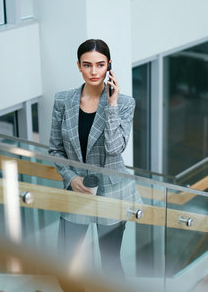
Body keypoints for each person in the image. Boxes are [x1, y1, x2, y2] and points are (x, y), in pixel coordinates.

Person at [48, 38, 141, 278]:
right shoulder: (62, 100)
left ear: (109, 65)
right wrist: (71, 178)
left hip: (113, 190)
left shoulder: (124, 103)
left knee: (109, 265)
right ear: (78, 66)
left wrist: (111, 105)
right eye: (87, 65)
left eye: (100, 65)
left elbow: (115, 148)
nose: (93, 71)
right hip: (77, 190)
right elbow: (55, 149)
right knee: (65, 266)